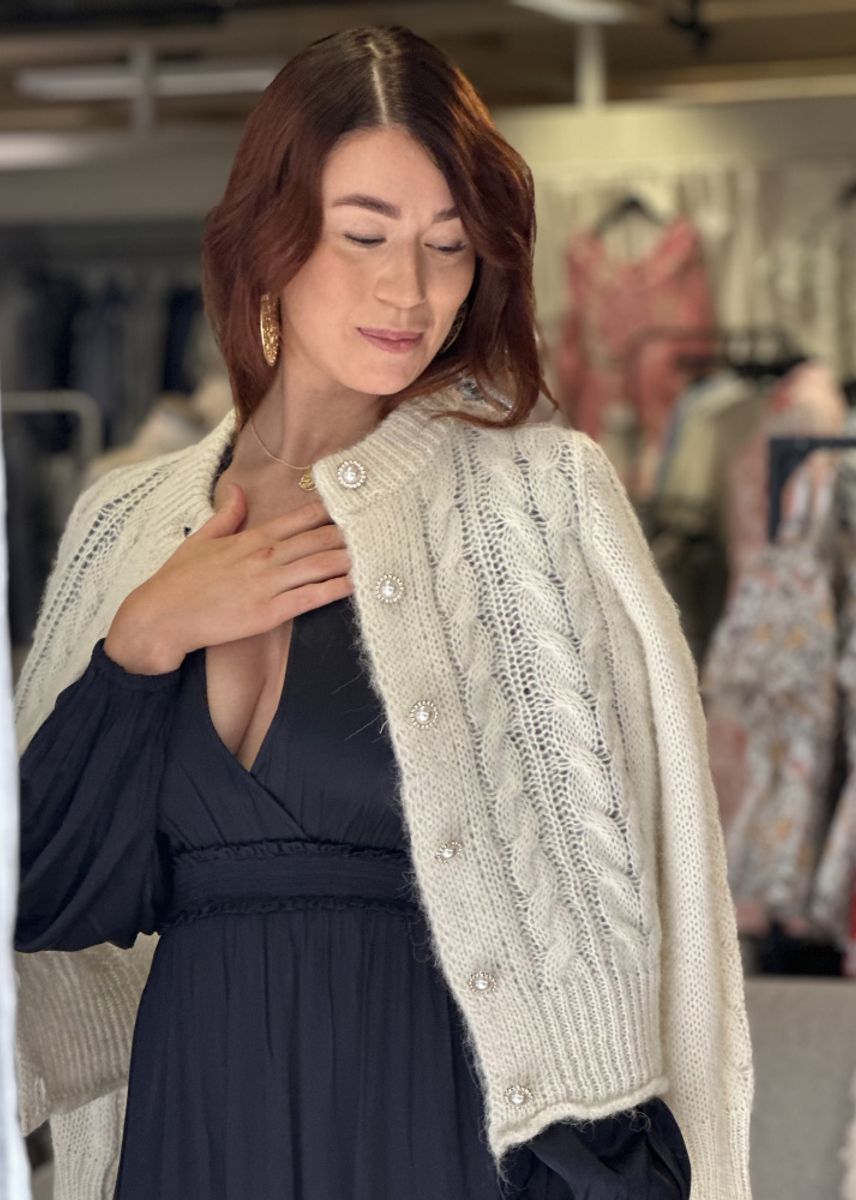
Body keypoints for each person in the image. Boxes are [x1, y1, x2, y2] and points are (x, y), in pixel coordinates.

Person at [12, 25, 753, 1200]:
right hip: (196, 1120)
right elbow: (38, 894)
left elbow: (636, 902)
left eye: (448, 247)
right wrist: (139, 644)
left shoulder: (536, 504)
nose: (408, 290)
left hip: (439, 1125)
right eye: (364, 235)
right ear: (268, 237)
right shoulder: (128, 520)